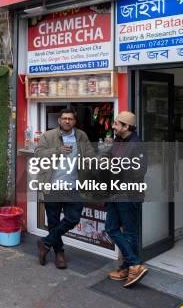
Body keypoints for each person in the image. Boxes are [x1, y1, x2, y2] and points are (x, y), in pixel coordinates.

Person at [34, 108, 96, 269]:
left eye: (71, 119)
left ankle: (45, 243)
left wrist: (94, 161)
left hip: (73, 185)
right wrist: (57, 151)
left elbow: (89, 153)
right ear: (59, 121)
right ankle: (59, 253)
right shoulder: (48, 135)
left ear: (75, 121)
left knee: (73, 218)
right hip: (53, 185)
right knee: (54, 221)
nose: (68, 121)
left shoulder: (81, 135)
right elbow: (38, 153)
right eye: (65, 118)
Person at [104, 111, 148, 287]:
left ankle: (129, 266)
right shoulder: (119, 141)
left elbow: (139, 171)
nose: (113, 126)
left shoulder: (137, 145)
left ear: (126, 127)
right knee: (111, 228)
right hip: (115, 193)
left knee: (130, 233)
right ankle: (132, 264)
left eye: (116, 124)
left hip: (129, 195)